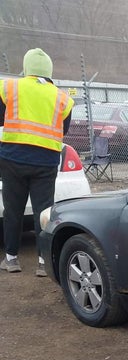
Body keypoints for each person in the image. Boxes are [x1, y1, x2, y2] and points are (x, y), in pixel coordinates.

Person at [0, 48, 74, 275]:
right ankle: (43, 262)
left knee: (13, 210)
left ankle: (11, 259)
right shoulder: (63, 98)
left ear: (27, 68)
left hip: (12, 158)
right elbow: (65, 129)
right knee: (44, 212)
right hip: (46, 162)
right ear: (49, 71)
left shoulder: (9, 87)